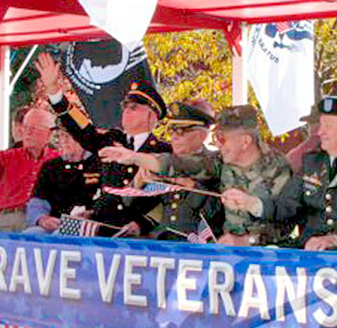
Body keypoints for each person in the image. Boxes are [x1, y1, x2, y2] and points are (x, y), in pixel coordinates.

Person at [100, 105, 293, 246]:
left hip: (265, 258)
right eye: (216, 138)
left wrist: (247, 239)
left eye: (222, 139)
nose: (217, 144)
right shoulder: (220, 161)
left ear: (245, 141)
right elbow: (182, 164)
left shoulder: (278, 168)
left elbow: (288, 220)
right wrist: (135, 158)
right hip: (224, 250)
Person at [35, 51, 172, 236]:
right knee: (54, 240)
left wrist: (142, 224)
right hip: (100, 226)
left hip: (135, 233)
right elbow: (80, 127)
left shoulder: (163, 151)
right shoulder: (111, 140)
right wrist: (54, 91)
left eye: (134, 108)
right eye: (125, 107)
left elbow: (164, 199)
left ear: (151, 115)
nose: (126, 111)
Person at [235, 96, 337, 251]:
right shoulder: (312, 164)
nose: (320, 132)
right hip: (307, 252)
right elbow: (287, 206)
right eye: (321, 125)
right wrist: (252, 203)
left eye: (328, 126)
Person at [148, 100, 224, 241]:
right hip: (161, 240)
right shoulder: (163, 161)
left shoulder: (216, 162)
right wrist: (137, 183)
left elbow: (220, 212)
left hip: (194, 243)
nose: (174, 137)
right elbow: (137, 205)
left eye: (181, 131)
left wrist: (194, 188)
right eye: (172, 130)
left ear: (202, 135)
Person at [24, 126, 103, 233]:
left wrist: (92, 213)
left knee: (60, 235)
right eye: (61, 135)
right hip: (55, 223)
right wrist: (41, 219)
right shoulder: (51, 166)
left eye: (69, 136)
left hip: (88, 226)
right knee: (31, 234)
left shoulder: (100, 165)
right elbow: (38, 201)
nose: (64, 141)